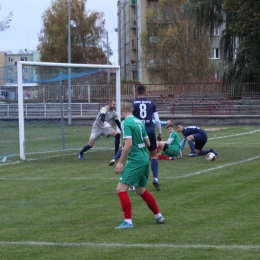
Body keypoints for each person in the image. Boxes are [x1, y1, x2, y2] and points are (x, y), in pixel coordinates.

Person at [114, 99, 165, 229]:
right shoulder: (139, 122)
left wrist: (120, 162)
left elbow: (128, 144)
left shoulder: (126, 123)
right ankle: (158, 215)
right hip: (144, 156)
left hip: (136, 158)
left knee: (121, 188)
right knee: (140, 190)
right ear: (133, 109)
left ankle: (128, 221)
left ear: (121, 111)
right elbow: (148, 144)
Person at [132, 85, 162, 191]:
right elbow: (157, 120)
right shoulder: (151, 103)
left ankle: (133, 184)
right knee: (153, 155)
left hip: (137, 131)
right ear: (146, 93)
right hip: (149, 130)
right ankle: (155, 178)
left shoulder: (132, 103)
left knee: (136, 155)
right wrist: (160, 132)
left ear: (136, 93)